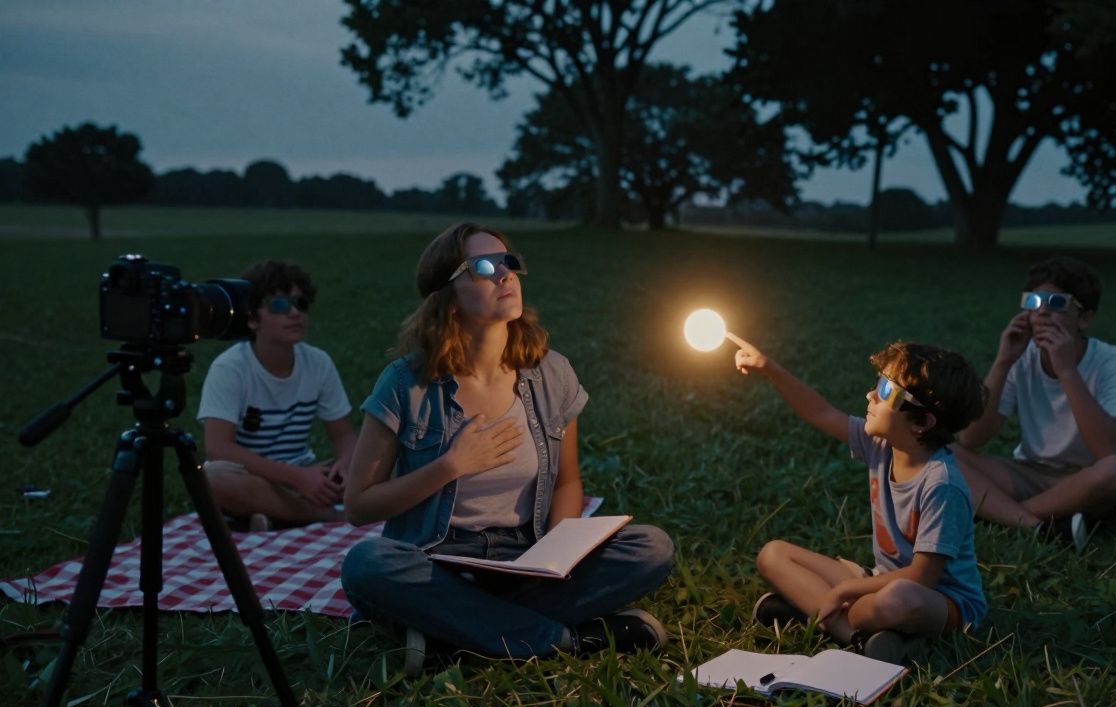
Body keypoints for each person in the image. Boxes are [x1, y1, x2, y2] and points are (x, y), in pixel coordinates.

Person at [339, 223, 673, 672]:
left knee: (651, 547)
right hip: (437, 563)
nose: (505, 274)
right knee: (365, 564)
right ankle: (565, 639)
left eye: (508, 262)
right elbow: (359, 505)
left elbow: (567, 482)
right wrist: (450, 465)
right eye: (483, 267)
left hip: (523, 561)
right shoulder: (405, 382)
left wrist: (559, 551)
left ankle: (454, 636)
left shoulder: (552, 374)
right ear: (448, 298)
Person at [736, 337, 987, 663]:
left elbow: (922, 577)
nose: (871, 395)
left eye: (886, 390)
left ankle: (818, 613)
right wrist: (769, 368)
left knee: (897, 599)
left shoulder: (942, 484)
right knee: (773, 554)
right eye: (878, 383)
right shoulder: (880, 446)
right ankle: (862, 638)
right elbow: (820, 412)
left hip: (942, 602)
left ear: (922, 422)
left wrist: (842, 591)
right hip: (878, 580)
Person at [954, 256, 1116, 551]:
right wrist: (1004, 361)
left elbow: (1108, 450)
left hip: (1091, 480)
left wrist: (1067, 370)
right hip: (1032, 472)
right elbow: (970, 438)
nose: (1042, 311)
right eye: (1033, 301)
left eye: (1056, 302)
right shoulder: (1022, 358)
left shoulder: (1115, 362)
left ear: (1084, 318)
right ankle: (1039, 525)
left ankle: (1002, 515)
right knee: (940, 451)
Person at [198, 260, 357, 531]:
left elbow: (343, 435)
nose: (294, 313)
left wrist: (345, 464)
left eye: (301, 304)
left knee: (379, 460)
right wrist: (296, 478)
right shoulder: (230, 368)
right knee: (211, 479)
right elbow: (218, 448)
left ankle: (271, 516)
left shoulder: (318, 362)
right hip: (250, 475)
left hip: (304, 471)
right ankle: (328, 517)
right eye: (280, 305)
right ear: (252, 319)